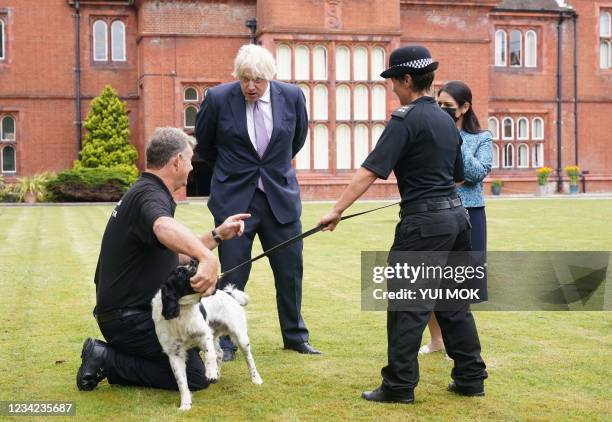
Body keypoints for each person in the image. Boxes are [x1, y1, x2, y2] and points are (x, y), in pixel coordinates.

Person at [318, 45, 488, 404]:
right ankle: (471, 378)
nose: (391, 87)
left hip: (424, 224)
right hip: (457, 218)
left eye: (393, 80)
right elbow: (458, 176)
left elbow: (369, 171)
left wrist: (336, 210)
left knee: (407, 306)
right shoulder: (446, 119)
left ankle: (398, 386)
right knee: (454, 304)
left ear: (407, 79)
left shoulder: (405, 119)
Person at [76, 127, 250, 392]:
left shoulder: (146, 190)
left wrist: (217, 235)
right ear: (177, 160)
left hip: (129, 314)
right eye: (190, 159)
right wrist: (206, 259)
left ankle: (115, 356)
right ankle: (105, 357)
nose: (192, 167)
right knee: (194, 376)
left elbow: (173, 255)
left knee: (191, 350)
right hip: (128, 320)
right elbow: (162, 227)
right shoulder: (150, 195)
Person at [195, 44, 320, 360]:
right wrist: (231, 175)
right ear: (237, 75)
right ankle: (225, 340)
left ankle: (295, 336)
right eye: (245, 78)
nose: (251, 86)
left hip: (280, 198)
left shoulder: (291, 97)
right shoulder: (219, 99)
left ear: (271, 78)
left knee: (290, 271)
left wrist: (272, 170)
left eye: (259, 80)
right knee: (234, 271)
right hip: (235, 200)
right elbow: (205, 146)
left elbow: (297, 139)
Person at [419, 80, 493, 355]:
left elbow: (476, 174)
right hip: (434, 212)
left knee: (460, 284)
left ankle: (457, 343)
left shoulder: (482, 138)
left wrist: (455, 138)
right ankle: (436, 340)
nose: (441, 110)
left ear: (464, 108)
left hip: (470, 215)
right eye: (438, 105)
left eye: (448, 106)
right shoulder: (431, 134)